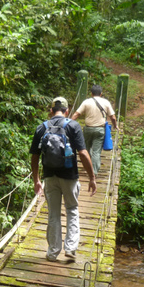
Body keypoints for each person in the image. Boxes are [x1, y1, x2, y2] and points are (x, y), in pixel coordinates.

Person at [30, 97, 97, 262]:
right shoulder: (73, 126)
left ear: (51, 111)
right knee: (72, 210)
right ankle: (70, 248)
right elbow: (82, 153)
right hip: (69, 177)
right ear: (67, 111)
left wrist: (36, 180)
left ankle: (52, 252)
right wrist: (92, 177)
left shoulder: (41, 128)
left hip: (49, 177)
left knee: (53, 214)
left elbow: (34, 156)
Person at [71, 84, 118, 176]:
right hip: (100, 130)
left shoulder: (86, 102)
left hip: (88, 129)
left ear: (91, 93)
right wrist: (115, 125)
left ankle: (87, 169)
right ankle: (94, 172)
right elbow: (112, 117)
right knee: (96, 152)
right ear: (101, 93)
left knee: (86, 150)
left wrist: (68, 123)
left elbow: (76, 114)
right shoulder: (106, 102)